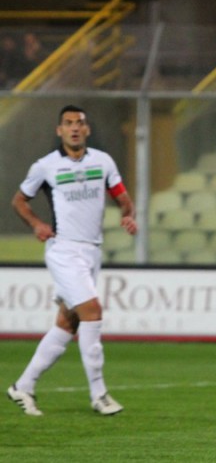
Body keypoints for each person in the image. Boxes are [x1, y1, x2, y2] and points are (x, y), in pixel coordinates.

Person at [7, 105, 136, 416]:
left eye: (80, 123)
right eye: (68, 123)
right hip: (64, 249)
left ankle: (23, 386)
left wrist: (128, 215)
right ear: (59, 131)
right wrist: (37, 224)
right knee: (92, 311)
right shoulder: (46, 166)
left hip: (92, 250)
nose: (75, 128)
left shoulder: (102, 162)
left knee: (68, 321)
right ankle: (99, 394)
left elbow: (121, 195)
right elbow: (19, 200)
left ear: (87, 130)